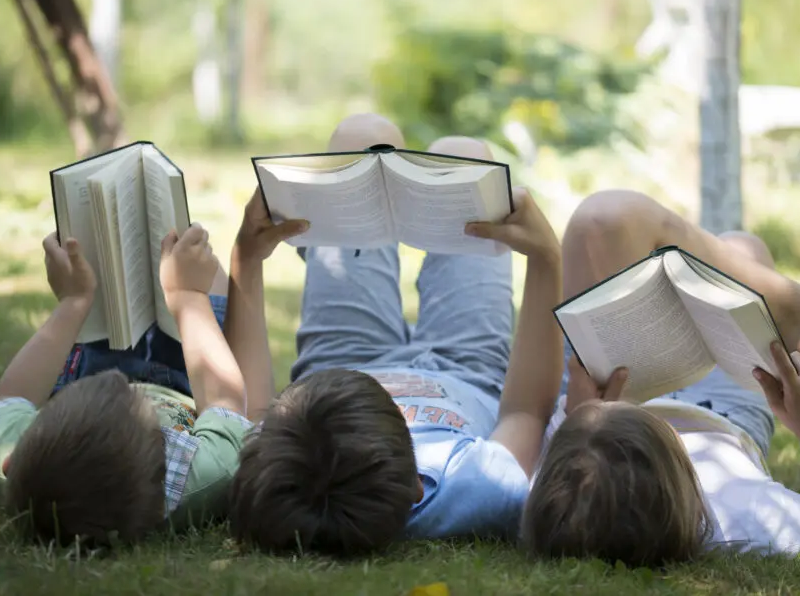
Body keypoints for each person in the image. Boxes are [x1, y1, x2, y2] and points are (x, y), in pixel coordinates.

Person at [227, 113, 565, 555]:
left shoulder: (284, 470)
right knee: (466, 157)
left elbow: (249, 407)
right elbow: (524, 412)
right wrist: (546, 260)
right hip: (467, 369)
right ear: (418, 489)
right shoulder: (480, 486)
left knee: (360, 137)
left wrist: (247, 256)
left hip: (342, 362)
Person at [522, 192, 800, 566]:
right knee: (745, 250)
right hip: (724, 418)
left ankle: (798, 308)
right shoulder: (743, 512)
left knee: (607, 222)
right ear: (688, 488)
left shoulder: (558, 508)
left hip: (607, 388)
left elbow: (557, 469)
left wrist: (577, 415)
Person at [0, 224, 254, 546]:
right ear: (167, 456)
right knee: (194, 259)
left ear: (11, 462)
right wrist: (188, 297)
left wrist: (73, 302)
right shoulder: (201, 476)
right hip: (188, 377)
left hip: (87, 369)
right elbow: (223, 402)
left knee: (107, 254)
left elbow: (11, 396)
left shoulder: (16, 464)